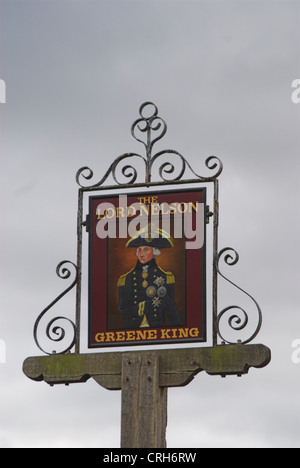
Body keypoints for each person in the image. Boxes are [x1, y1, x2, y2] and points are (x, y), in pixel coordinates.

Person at [117, 224, 183, 329]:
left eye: (146, 250)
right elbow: (122, 312)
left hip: (158, 331)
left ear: (154, 252)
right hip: (132, 332)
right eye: (139, 250)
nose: (141, 254)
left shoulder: (166, 277)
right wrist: (142, 307)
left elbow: (171, 311)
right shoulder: (126, 279)